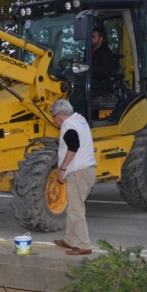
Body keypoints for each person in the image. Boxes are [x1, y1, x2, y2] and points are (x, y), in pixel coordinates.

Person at [50, 100, 97, 255]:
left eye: (53, 116)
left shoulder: (68, 125)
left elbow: (73, 146)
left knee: (76, 210)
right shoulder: (80, 121)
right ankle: (70, 240)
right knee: (73, 208)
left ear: (61, 114)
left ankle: (84, 245)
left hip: (78, 172)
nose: (53, 120)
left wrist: (62, 169)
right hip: (87, 171)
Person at [90, 27, 117, 98]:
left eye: (93, 37)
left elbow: (107, 70)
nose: (91, 39)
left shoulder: (105, 53)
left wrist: (90, 69)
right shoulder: (89, 52)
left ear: (100, 39)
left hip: (101, 89)